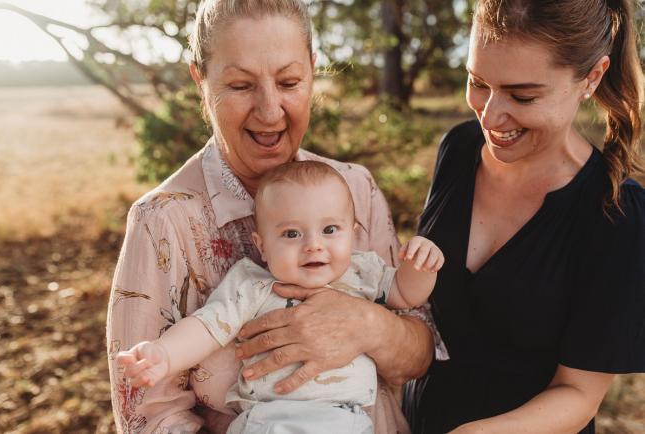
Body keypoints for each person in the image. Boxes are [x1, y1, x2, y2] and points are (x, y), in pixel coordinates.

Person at [106, 1, 445, 433]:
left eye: (289, 82)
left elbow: (421, 349)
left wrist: (368, 325)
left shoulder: (356, 186)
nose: (270, 111)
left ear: (313, 71)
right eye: (242, 85)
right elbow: (149, 418)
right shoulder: (162, 222)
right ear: (200, 80)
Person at [403, 0, 645, 433]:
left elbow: (578, 395)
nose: (490, 116)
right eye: (477, 82)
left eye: (523, 95)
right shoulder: (458, 149)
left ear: (591, 77)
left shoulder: (616, 213)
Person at [115, 161, 444, 434]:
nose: (313, 245)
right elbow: (205, 327)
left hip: (348, 422)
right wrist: (164, 354)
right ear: (262, 246)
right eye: (291, 234)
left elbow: (405, 294)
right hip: (268, 422)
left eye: (330, 230)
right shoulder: (251, 284)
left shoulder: (362, 272)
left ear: (352, 232)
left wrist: (422, 265)